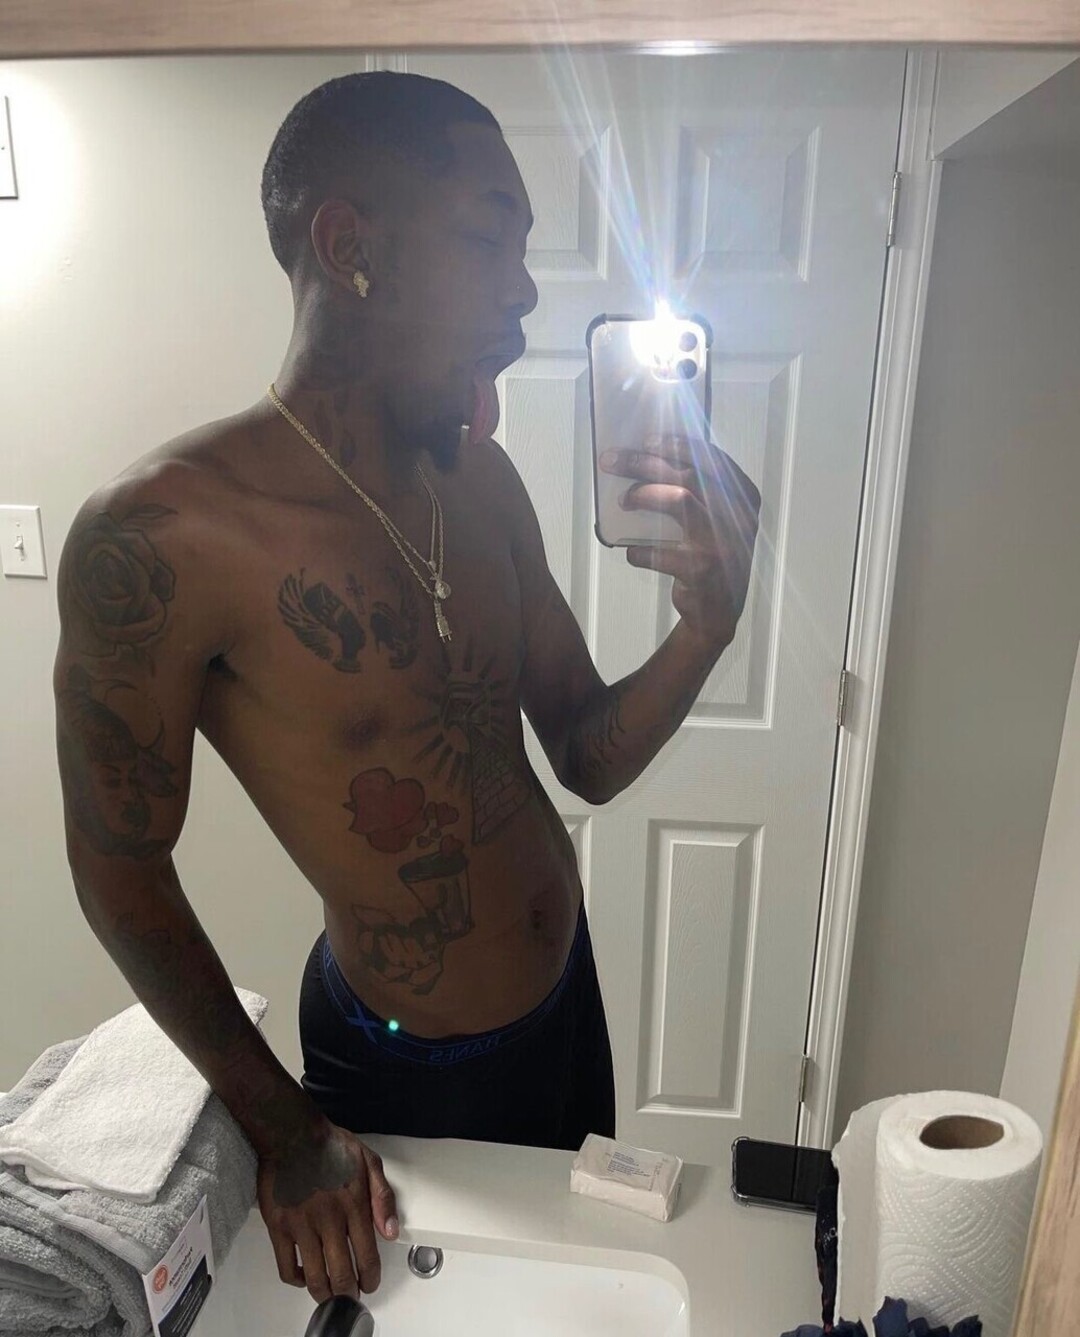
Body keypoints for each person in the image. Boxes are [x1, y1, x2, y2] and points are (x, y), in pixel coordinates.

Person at [54, 72, 759, 1308]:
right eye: (490, 237)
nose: (526, 289)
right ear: (350, 246)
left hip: (567, 1007)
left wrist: (710, 625)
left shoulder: (482, 485)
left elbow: (586, 753)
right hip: (397, 1070)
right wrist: (282, 1128)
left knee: (565, 1310)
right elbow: (119, 868)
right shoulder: (167, 535)